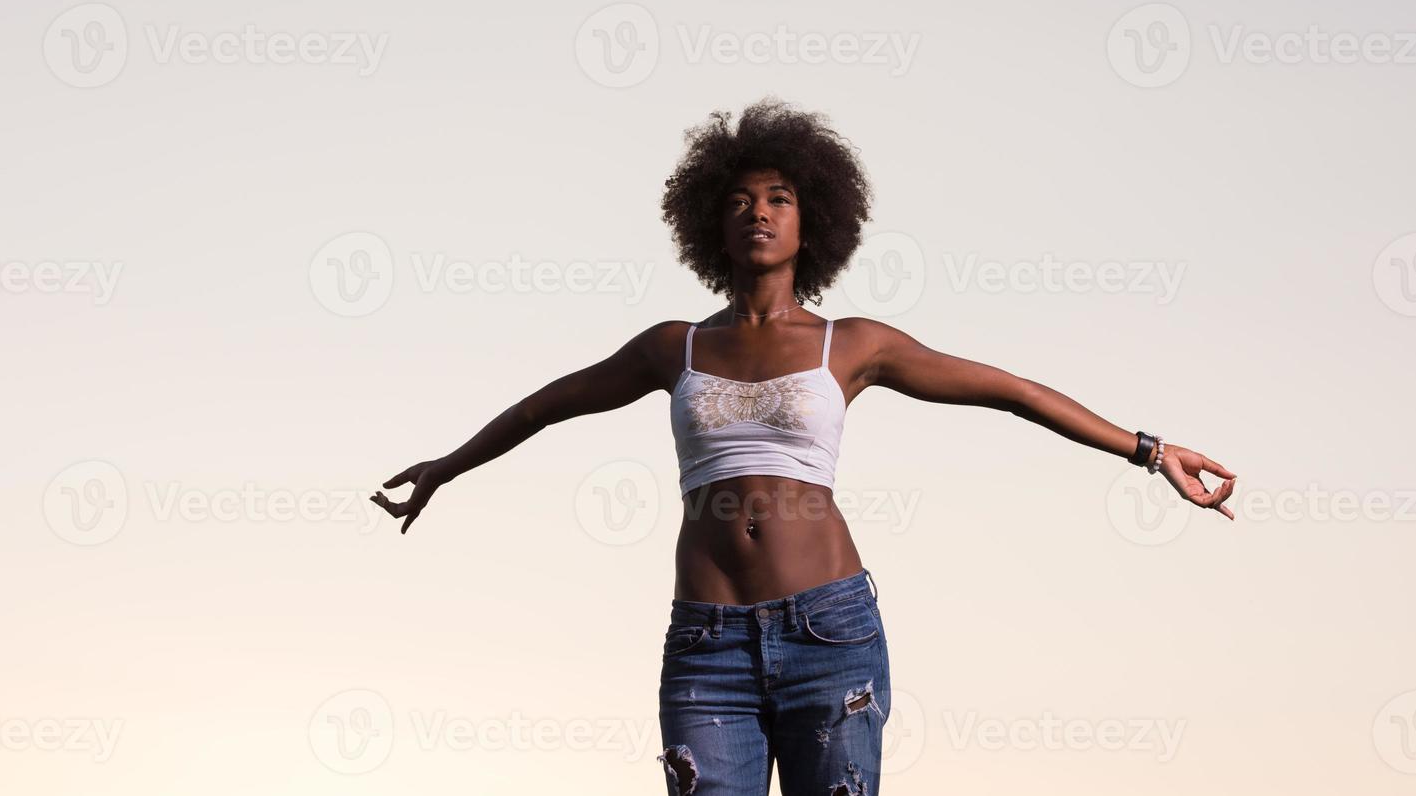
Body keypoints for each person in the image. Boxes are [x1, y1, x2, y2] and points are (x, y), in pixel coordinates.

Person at [370, 97, 1237, 795]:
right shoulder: (670, 346)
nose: (759, 212)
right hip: (706, 647)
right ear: (712, 223)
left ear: (811, 222)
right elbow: (545, 406)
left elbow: (1008, 392)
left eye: (779, 199)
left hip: (829, 633)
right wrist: (448, 466)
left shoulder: (851, 344)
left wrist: (1148, 450)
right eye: (742, 200)